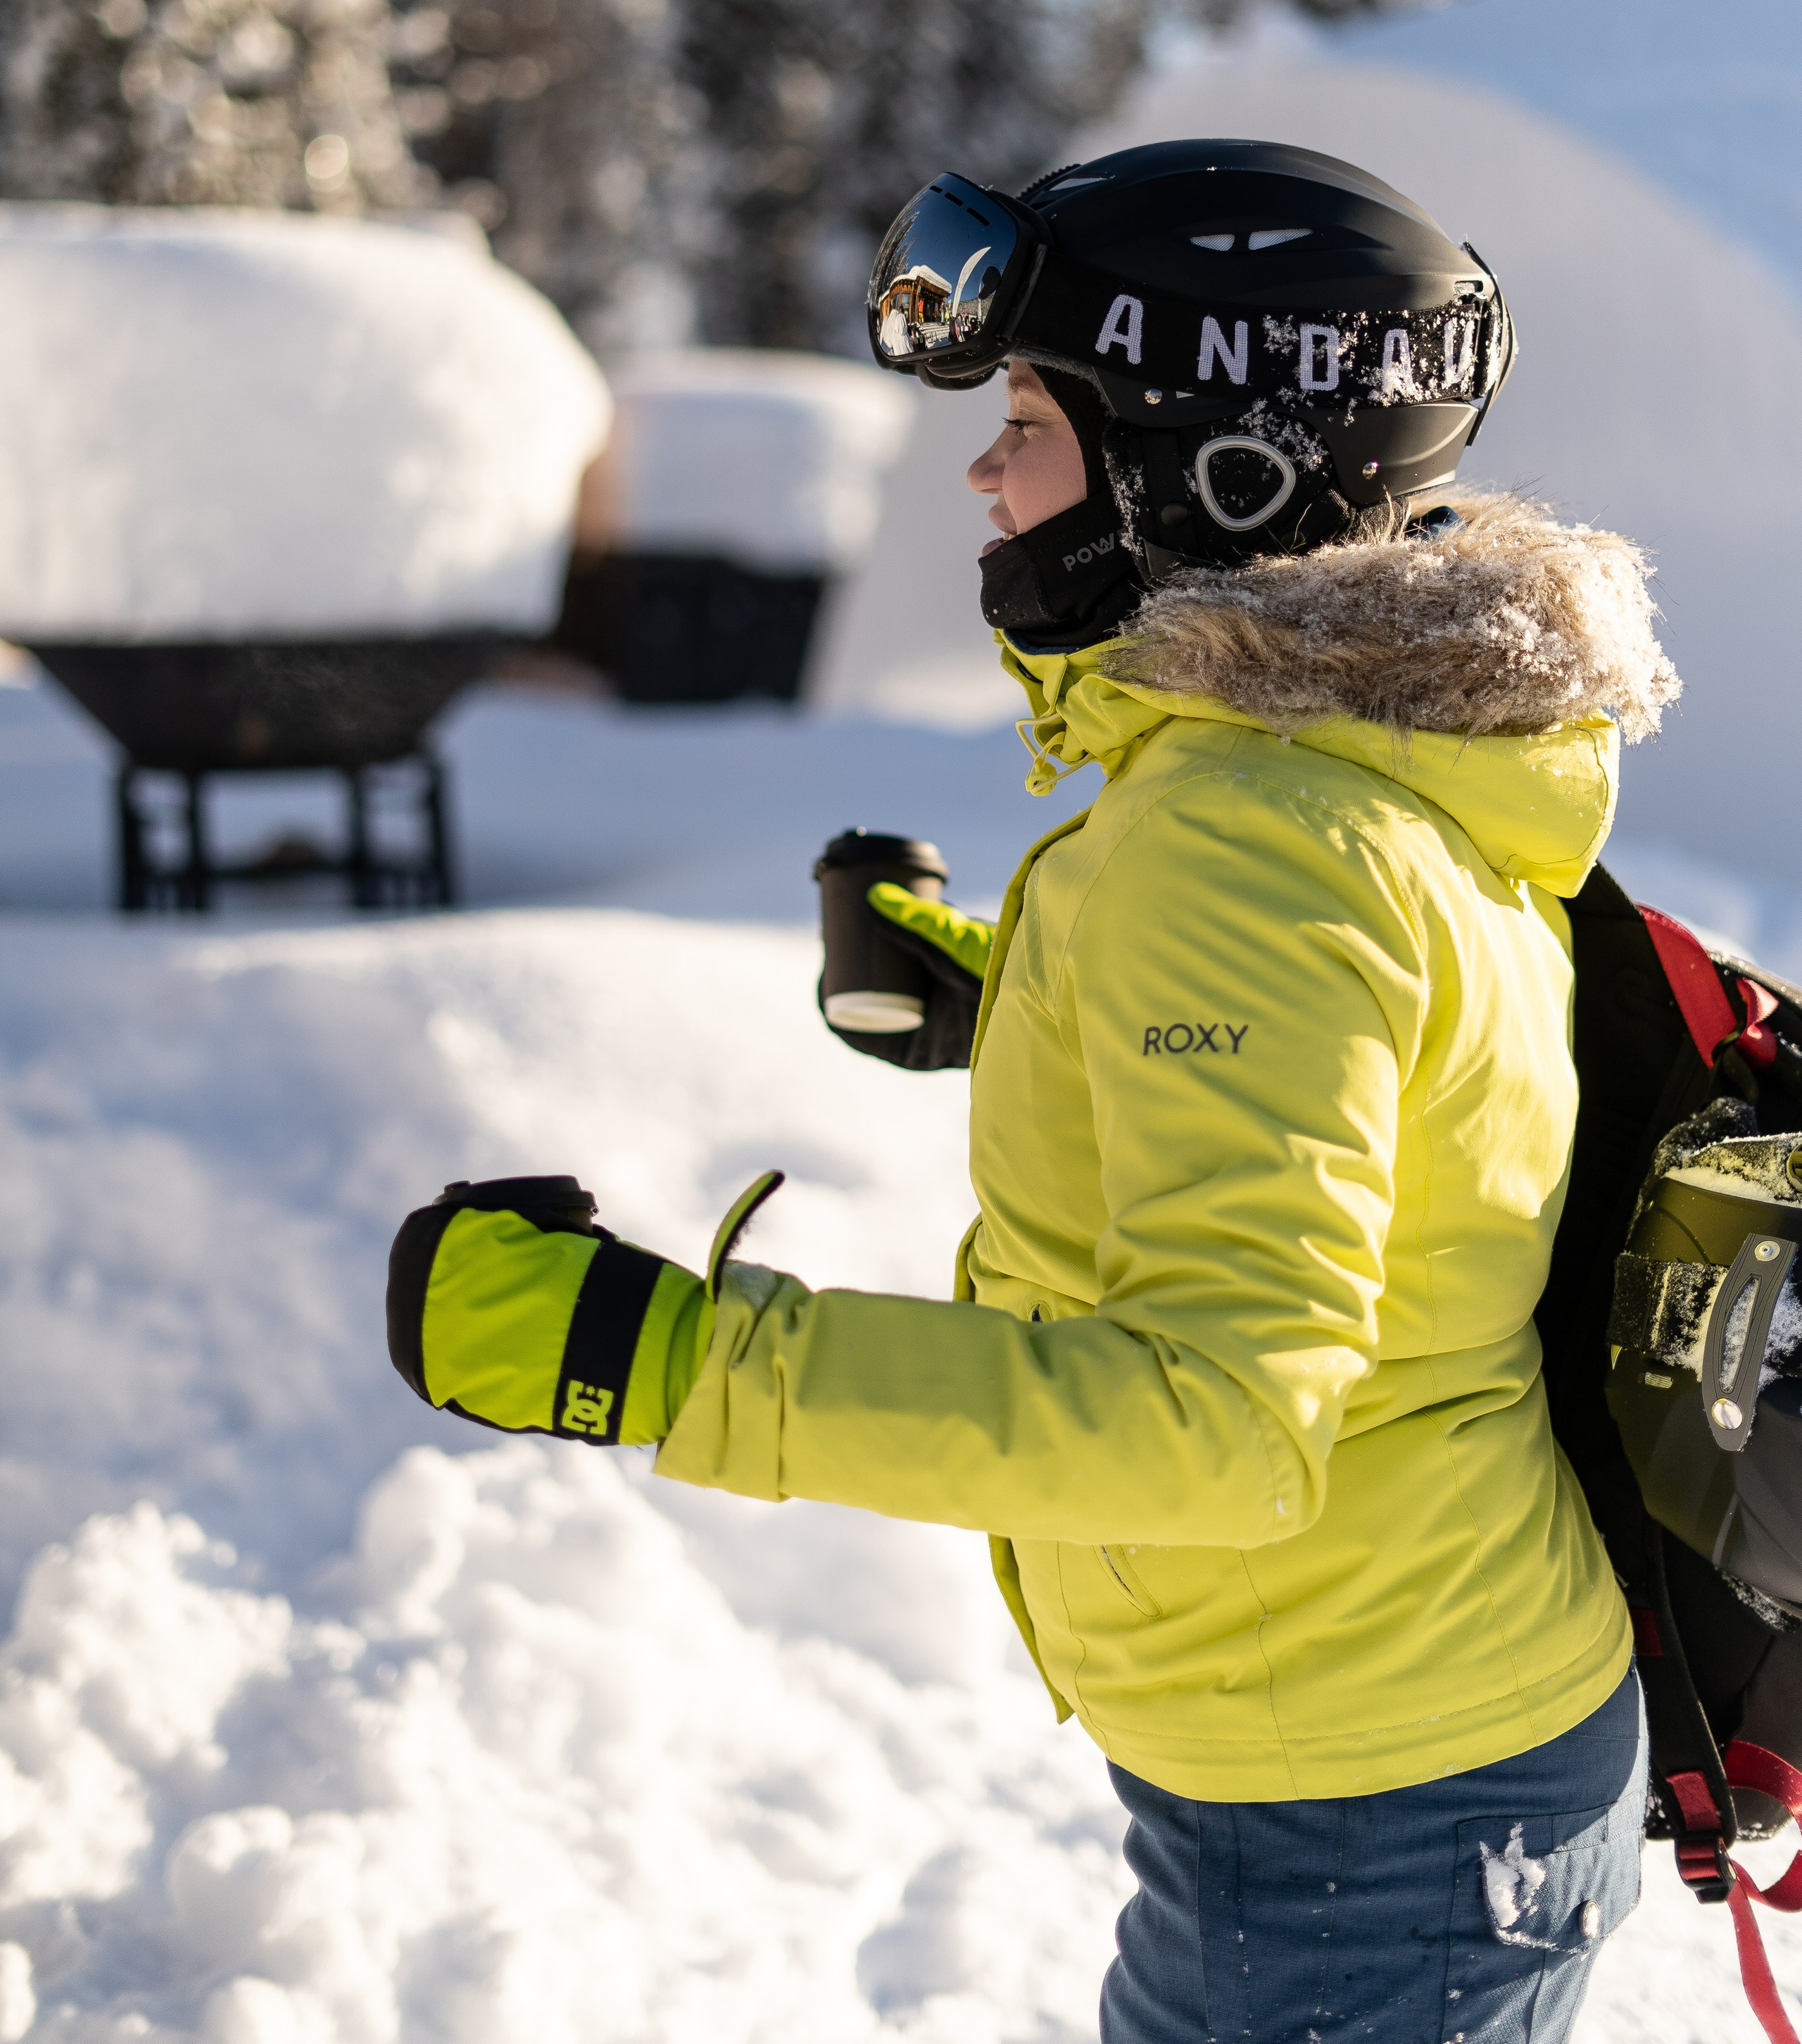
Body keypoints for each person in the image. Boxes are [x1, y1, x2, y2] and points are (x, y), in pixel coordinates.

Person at [386, 139, 1684, 2042]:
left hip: (1370, 1816)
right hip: (1374, 1751)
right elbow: (1409, 1087)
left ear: (1214, 469)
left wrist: (663, 1362)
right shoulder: (1359, 776)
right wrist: (1029, 1004)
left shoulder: (1245, 849)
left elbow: (1215, 1429)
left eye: (1026, 421)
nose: (987, 478)